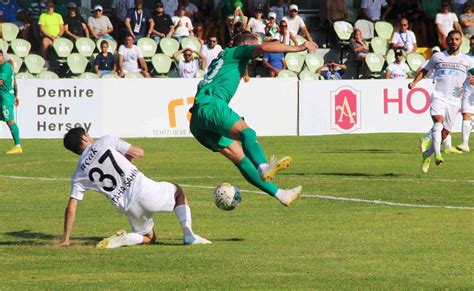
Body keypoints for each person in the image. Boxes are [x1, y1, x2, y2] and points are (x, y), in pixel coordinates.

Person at [188, 32, 317, 207]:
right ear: (246, 44)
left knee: (241, 159)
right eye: (253, 46)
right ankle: (264, 167)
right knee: (247, 133)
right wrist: (298, 47)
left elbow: (239, 71)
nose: (256, 53)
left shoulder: (226, 56)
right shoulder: (236, 51)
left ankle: (281, 194)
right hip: (211, 104)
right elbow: (263, 48)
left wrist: (245, 71)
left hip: (197, 122)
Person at [59, 127, 211, 248]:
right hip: (144, 190)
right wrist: (128, 158)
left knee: (149, 238)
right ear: (85, 138)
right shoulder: (105, 141)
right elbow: (139, 152)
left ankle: (129, 238)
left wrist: (66, 239)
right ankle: (188, 235)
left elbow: (71, 207)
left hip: (128, 207)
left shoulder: (79, 173)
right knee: (177, 192)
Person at [409, 30, 474, 173]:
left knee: (445, 133)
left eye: (457, 39)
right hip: (438, 95)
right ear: (446, 41)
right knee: (438, 121)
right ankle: (438, 155)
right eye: (451, 39)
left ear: (461, 41)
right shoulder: (438, 56)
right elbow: (425, 70)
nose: (454, 42)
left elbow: (473, 75)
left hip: (455, 99)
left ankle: (427, 155)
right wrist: (414, 83)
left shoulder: (467, 60)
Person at [0, 50, 21, 154]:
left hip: (5, 98)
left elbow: (0, 81)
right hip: (3, 97)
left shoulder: (5, 66)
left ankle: (18, 146)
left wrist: (15, 96)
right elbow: (14, 82)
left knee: (10, 121)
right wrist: (16, 95)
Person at [457, 36, 474, 152]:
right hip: (469, 91)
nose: (473, 45)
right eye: (472, 43)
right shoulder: (465, 58)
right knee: (466, 115)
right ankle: (465, 144)